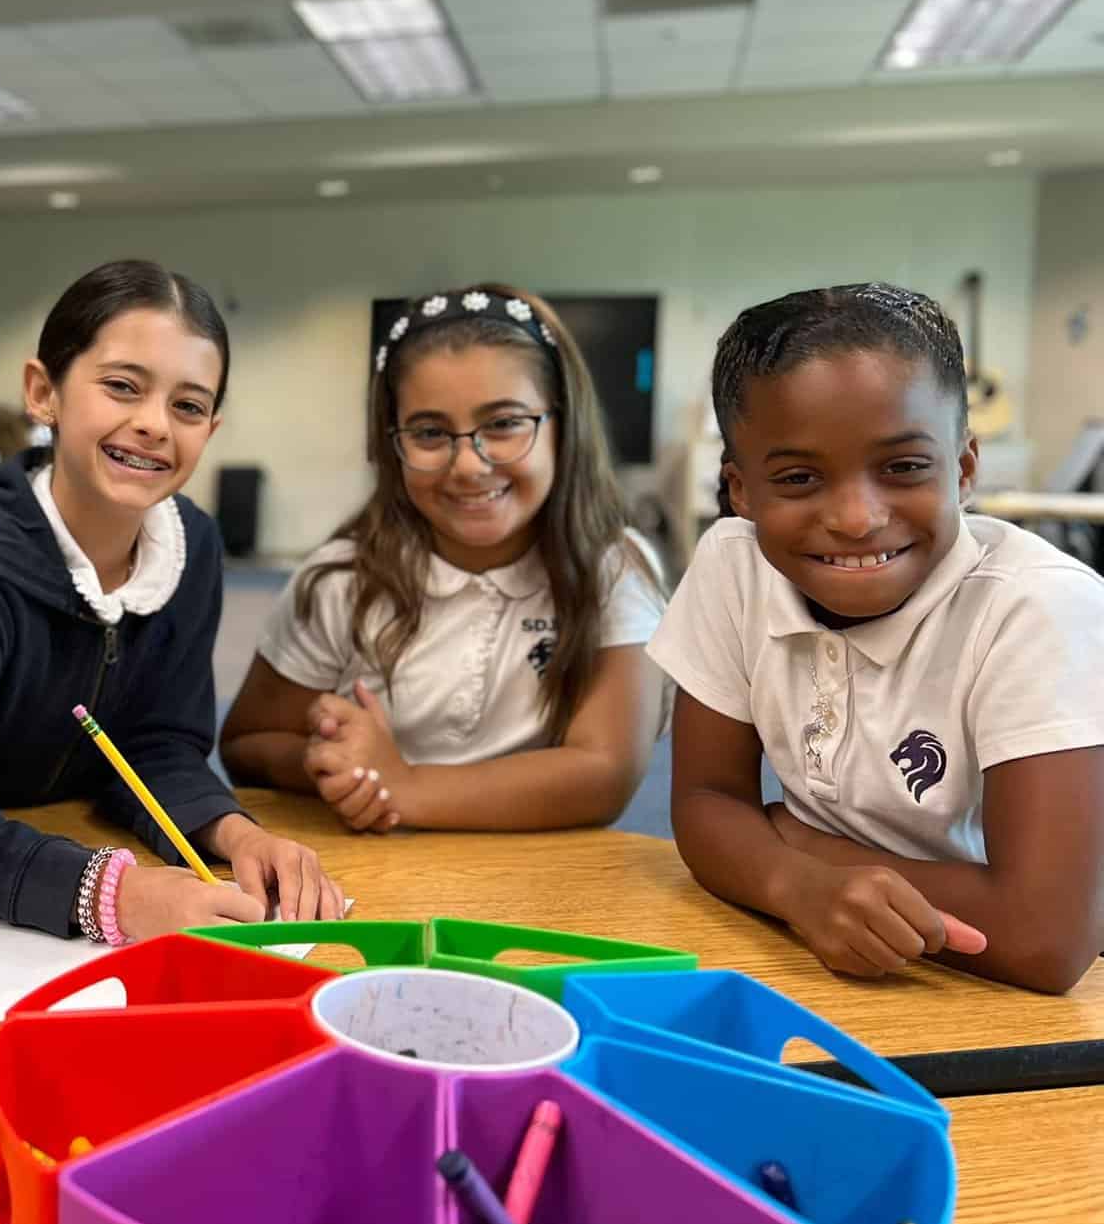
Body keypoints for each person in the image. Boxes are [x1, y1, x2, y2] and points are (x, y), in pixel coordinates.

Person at [0, 259, 344, 941]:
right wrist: (115, 896)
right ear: (42, 392)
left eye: (189, 406)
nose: (153, 424)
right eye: (122, 386)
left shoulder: (193, 548)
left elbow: (157, 744)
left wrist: (237, 836)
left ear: (211, 428)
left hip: (65, 849)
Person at [651, 283, 1104, 993]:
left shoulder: (1039, 608)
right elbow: (706, 804)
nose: (858, 518)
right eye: (799, 478)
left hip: (1023, 1008)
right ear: (740, 491)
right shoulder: (731, 565)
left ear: (963, 468)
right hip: (828, 963)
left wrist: (804, 846)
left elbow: (1048, 937)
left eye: (902, 468)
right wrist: (796, 886)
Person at [221, 285, 666, 834]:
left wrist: (402, 785)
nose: (468, 466)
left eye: (503, 424)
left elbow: (605, 774)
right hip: (373, 878)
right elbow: (244, 745)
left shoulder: (613, 570)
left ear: (563, 424)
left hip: (542, 881)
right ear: (392, 443)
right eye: (430, 433)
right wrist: (329, 764)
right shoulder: (341, 578)